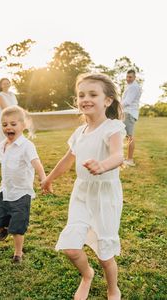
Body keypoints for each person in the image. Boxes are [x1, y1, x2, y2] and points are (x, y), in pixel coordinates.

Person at [42, 73, 126, 300]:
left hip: (105, 195)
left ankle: (112, 288)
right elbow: (67, 159)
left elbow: (118, 155)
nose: (85, 99)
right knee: (71, 248)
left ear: (107, 101)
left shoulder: (113, 127)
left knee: (105, 255)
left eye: (92, 94)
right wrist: (48, 178)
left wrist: (103, 165)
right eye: (81, 95)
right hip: (82, 194)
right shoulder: (79, 133)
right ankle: (87, 274)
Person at [0, 106, 46, 263]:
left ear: (23, 125)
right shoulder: (3, 145)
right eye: (5, 124)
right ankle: (4, 226)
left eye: (13, 124)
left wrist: (43, 178)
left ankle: (18, 254)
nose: (8, 127)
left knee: (18, 226)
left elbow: (36, 162)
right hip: (5, 190)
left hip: (21, 193)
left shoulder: (27, 146)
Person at [121, 70, 142, 167]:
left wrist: (115, 106)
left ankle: (130, 160)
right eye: (127, 76)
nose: (128, 79)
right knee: (126, 136)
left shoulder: (134, 87)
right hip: (127, 113)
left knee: (129, 137)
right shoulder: (130, 86)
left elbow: (127, 102)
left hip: (129, 113)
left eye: (130, 77)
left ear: (134, 77)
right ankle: (127, 158)